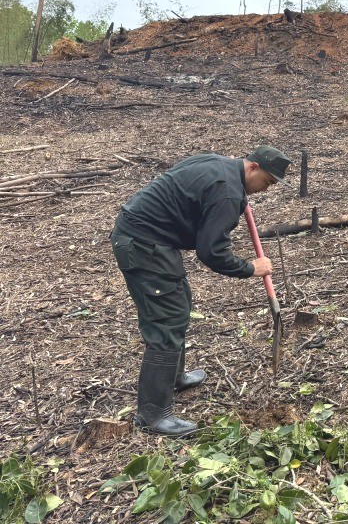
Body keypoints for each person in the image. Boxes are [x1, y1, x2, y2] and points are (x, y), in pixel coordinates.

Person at [110, 146, 292, 436]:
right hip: (143, 243)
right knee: (166, 320)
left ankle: (174, 377)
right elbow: (211, 252)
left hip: (152, 238)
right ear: (253, 167)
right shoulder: (228, 193)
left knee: (179, 305)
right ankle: (152, 415)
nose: (266, 189)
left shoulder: (221, 166)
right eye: (268, 182)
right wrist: (250, 268)